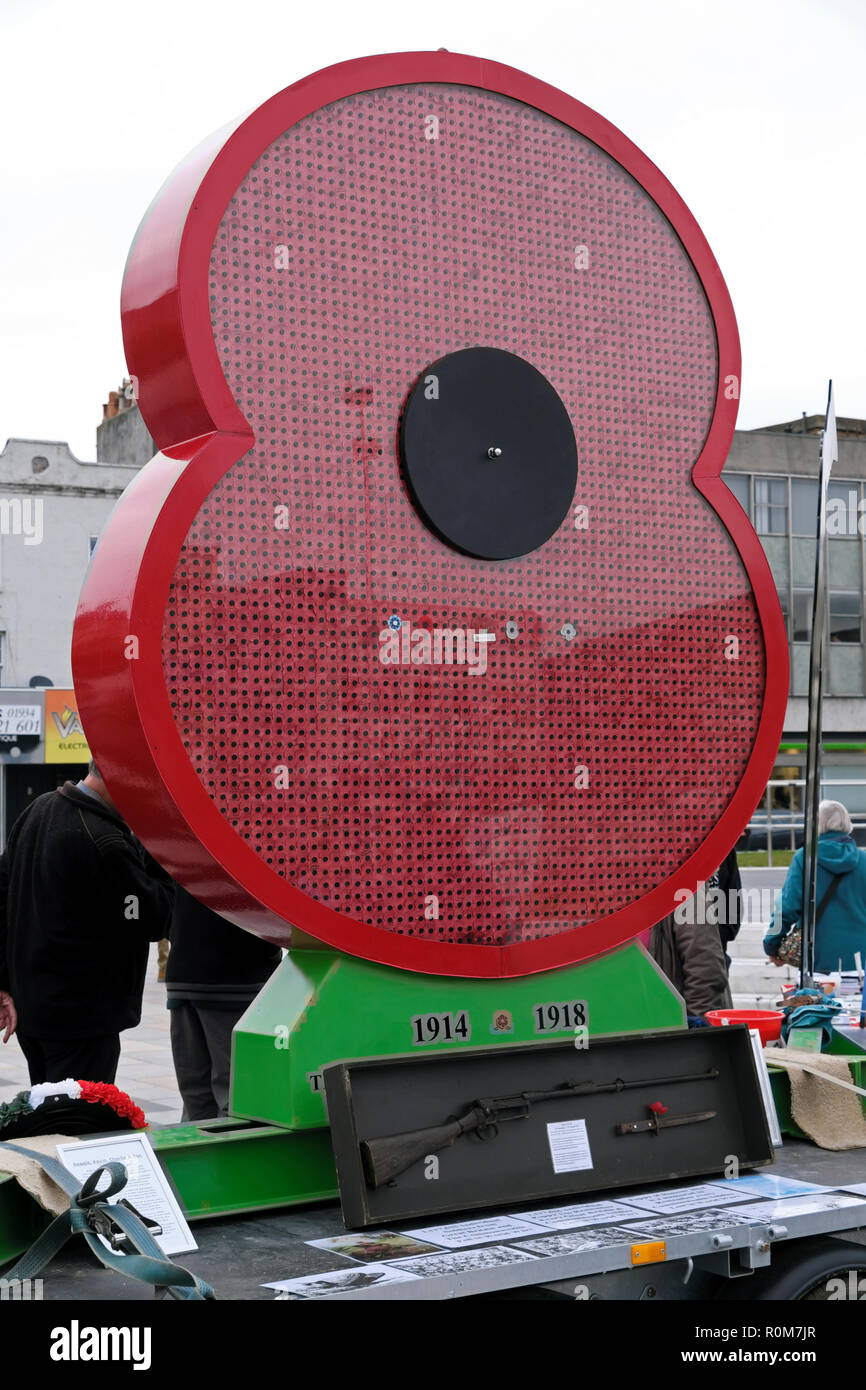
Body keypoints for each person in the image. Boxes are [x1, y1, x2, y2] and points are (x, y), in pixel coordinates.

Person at [0, 760, 174, 1084]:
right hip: (82, 1021)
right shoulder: (104, 841)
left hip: (34, 1013)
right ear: (115, 778)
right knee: (79, 1126)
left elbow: (2, 897)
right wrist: (158, 848)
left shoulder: (38, 810)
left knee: (49, 1121)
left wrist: (3, 983)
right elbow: (151, 917)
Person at [166, 886, 281, 1120]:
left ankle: (198, 1152)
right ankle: (226, 1152)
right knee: (234, 1094)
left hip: (186, 967)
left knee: (195, 1092)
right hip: (236, 974)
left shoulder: (188, 848)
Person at [764, 800, 866, 974]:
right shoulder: (862, 860)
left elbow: (786, 907)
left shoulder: (805, 858)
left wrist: (772, 945)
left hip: (817, 960)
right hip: (860, 962)